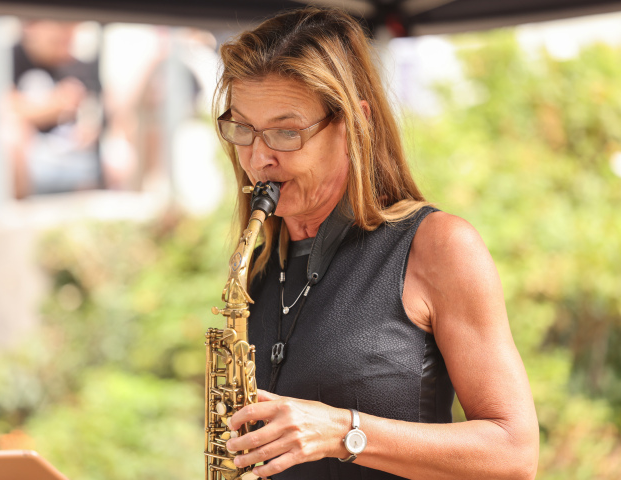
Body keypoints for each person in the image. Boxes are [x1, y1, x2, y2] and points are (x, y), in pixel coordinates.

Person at [215, 7, 539, 480]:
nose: (259, 158)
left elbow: (515, 454)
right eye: (243, 129)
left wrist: (343, 432)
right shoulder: (257, 271)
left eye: (286, 132)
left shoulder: (439, 246)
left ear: (354, 125)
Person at [9, 20, 104, 199]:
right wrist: (54, 105)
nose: (67, 34)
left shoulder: (78, 65)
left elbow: (99, 111)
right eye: (61, 26)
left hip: (74, 156)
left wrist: (89, 127)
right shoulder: (9, 59)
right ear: (31, 27)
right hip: (31, 156)